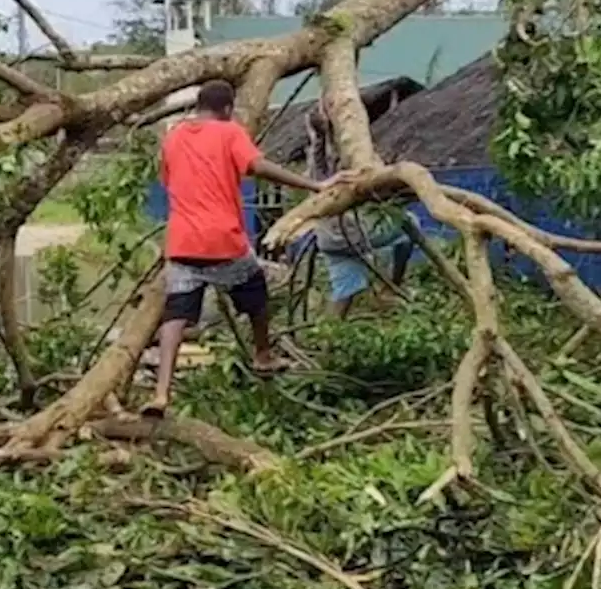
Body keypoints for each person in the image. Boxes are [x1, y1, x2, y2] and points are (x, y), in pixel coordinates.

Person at [141, 80, 352, 417]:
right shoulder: (230, 132)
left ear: (199, 106)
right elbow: (260, 166)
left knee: (176, 315)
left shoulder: (173, 137)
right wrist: (314, 184)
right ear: (227, 109)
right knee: (256, 290)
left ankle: (162, 392)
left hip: (182, 244)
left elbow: (168, 180)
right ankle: (263, 353)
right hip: (223, 241)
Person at [314, 209, 417, 319]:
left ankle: (329, 327)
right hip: (356, 232)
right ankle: (392, 288)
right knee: (410, 221)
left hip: (329, 238)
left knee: (344, 285)